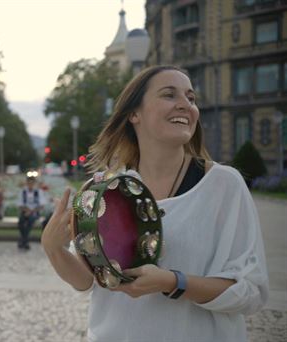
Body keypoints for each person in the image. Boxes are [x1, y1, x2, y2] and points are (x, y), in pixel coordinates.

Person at [41, 65, 269, 341]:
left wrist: (173, 282)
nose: (186, 105)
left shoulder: (224, 185)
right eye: (169, 95)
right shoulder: (109, 187)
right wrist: (53, 247)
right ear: (134, 114)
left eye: (191, 98)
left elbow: (251, 292)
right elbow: (89, 279)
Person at [17, 175, 46, 251]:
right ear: (26, 183)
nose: (30, 185)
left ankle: (23, 241)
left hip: (35, 212)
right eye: (29, 183)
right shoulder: (22, 191)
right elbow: (19, 204)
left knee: (30, 221)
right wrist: (27, 211)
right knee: (21, 222)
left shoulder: (39, 192)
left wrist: (31, 212)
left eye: (32, 183)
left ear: (35, 183)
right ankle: (25, 241)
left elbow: (42, 205)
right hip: (25, 211)